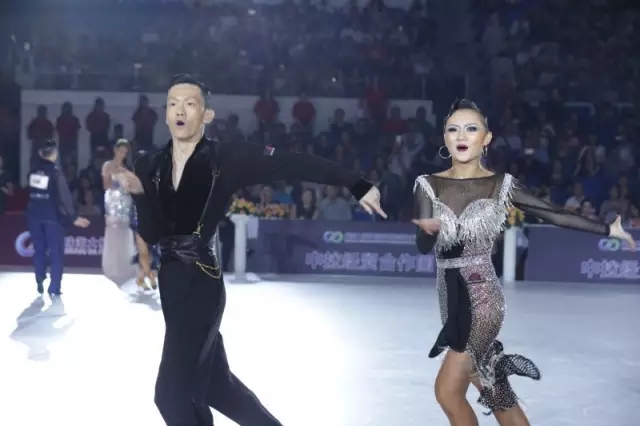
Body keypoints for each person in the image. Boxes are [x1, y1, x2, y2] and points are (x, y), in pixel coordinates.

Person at [115, 74, 386, 426]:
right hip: (170, 280)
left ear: (206, 115)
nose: (180, 110)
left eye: (190, 104)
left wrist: (355, 182)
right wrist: (139, 194)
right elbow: (152, 233)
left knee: (169, 396)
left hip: (201, 280)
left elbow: (292, 161)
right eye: (173, 104)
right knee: (218, 388)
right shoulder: (148, 165)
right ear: (166, 114)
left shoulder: (226, 157)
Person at [412, 99, 636, 426]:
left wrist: (607, 229)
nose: (461, 135)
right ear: (445, 137)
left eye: (471, 128)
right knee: (494, 390)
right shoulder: (427, 186)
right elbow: (422, 246)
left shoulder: (500, 185)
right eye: (453, 129)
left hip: (481, 299)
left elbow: (552, 213)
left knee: (447, 392)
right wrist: (428, 232)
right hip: (450, 298)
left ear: (486, 138)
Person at [27, 139, 90, 296]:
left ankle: (39, 278)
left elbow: (33, 194)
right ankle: (54, 287)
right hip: (52, 219)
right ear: (54, 154)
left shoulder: (32, 172)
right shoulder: (56, 173)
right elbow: (65, 198)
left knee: (39, 249)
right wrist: (74, 217)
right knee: (55, 252)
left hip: (34, 217)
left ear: (41, 153)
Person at [101, 138, 138, 287]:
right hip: (112, 202)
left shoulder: (126, 168)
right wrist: (117, 178)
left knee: (124, 233)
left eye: (125, 152)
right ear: (115, 150)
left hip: (125, 203)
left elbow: (132, 187)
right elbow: (106, 186)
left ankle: (125, 267)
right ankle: (112, 267)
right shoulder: (108, 165)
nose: (122, 154)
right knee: (113, 233)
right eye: (120, 151)